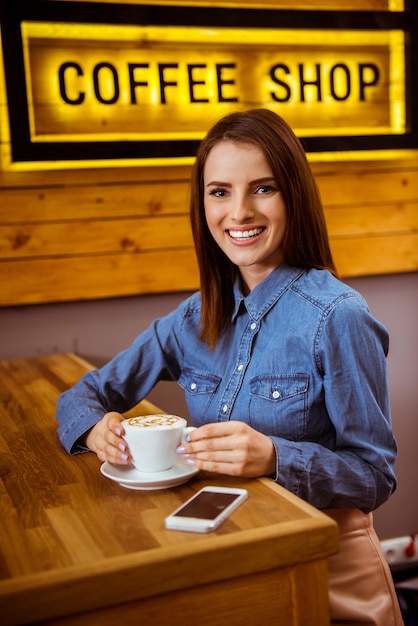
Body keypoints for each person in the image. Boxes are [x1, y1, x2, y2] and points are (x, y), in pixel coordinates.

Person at [56, 108, 402, 625]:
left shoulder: (338, 317)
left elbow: (375, 476)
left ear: (294, 195)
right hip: (224, 557)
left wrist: (274, 457)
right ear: (203, 205)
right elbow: (80, 396)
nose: (238, 212)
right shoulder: (192, 318)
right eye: (219, 192)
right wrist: (96, 428)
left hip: (324, 569)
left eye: (262, 188)